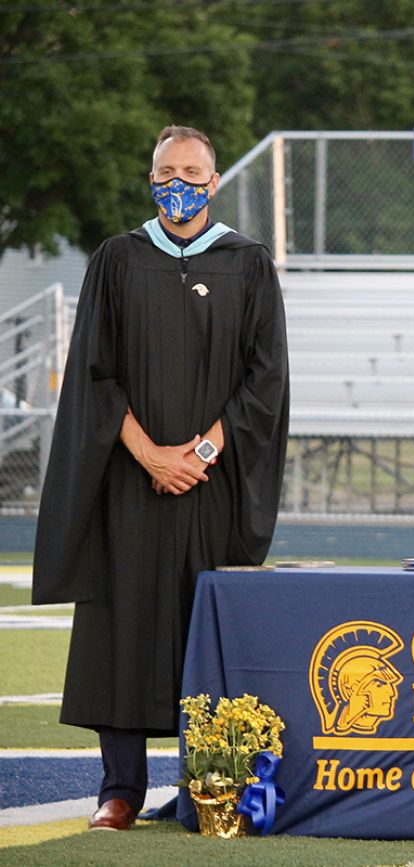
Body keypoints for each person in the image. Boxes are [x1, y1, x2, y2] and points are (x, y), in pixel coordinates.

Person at [31, 125, 290, 831]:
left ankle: (204, 784)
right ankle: (119, 789)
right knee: (120, 625)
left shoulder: (248, 263)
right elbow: (94, 373)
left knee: (205, 628)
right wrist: (150, 455)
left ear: (213, 183)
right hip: (129, 484)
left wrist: (199, 455)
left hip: (213, 485)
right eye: (166, 170)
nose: (179, 182)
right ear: (151, 179)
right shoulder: (117, 260)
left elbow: (264, 381)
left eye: (192, 171)